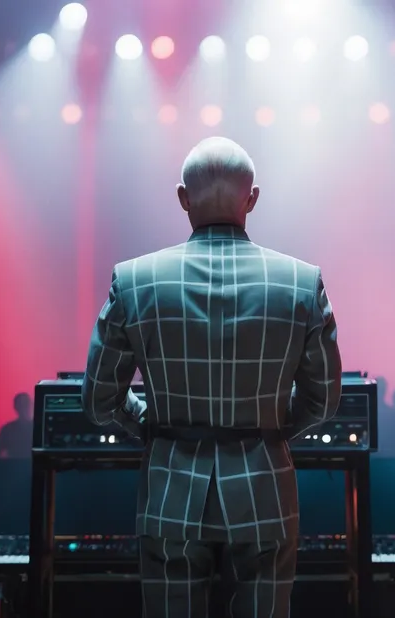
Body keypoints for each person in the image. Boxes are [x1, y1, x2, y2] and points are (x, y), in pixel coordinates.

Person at [81, 136, 342, 618]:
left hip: (169, 488)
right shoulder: (302, 282)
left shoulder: (135, 280)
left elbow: (99, 400)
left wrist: (154, 425)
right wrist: (268, 427)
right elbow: (322, 401)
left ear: (182, 198)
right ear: (253, 199)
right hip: (265, 488)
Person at [0, 392, 33, 458]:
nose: (23, 408)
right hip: (15, 465)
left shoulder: (7, 428)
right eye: (21, 405)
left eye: (25, 404)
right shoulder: (7, 429)